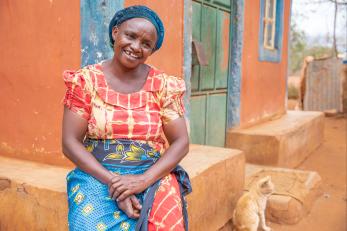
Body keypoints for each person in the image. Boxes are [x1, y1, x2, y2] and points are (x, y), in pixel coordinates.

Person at [62, 5, 191, 231]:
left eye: (146, 44)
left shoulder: (164, 86)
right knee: (88, 224)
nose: (135, 47)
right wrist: (115, 183)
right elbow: (70, 142)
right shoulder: (86, 81)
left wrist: (143, 180)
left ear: (152, 49)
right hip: (97, 174)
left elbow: (181, 142)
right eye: (130, 36)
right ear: (115, 33)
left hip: (152, 175)